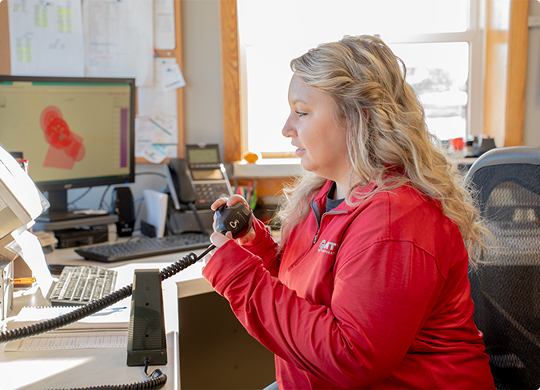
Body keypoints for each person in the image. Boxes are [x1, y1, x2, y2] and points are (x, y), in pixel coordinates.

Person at [203, 35, 495, 389]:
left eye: (302, 112)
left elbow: (351, 358)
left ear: (358, 118)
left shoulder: (395, 222)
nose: (286, 129)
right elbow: (311, 296)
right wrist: (258, 248)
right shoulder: (323, 194)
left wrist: (239, 278)